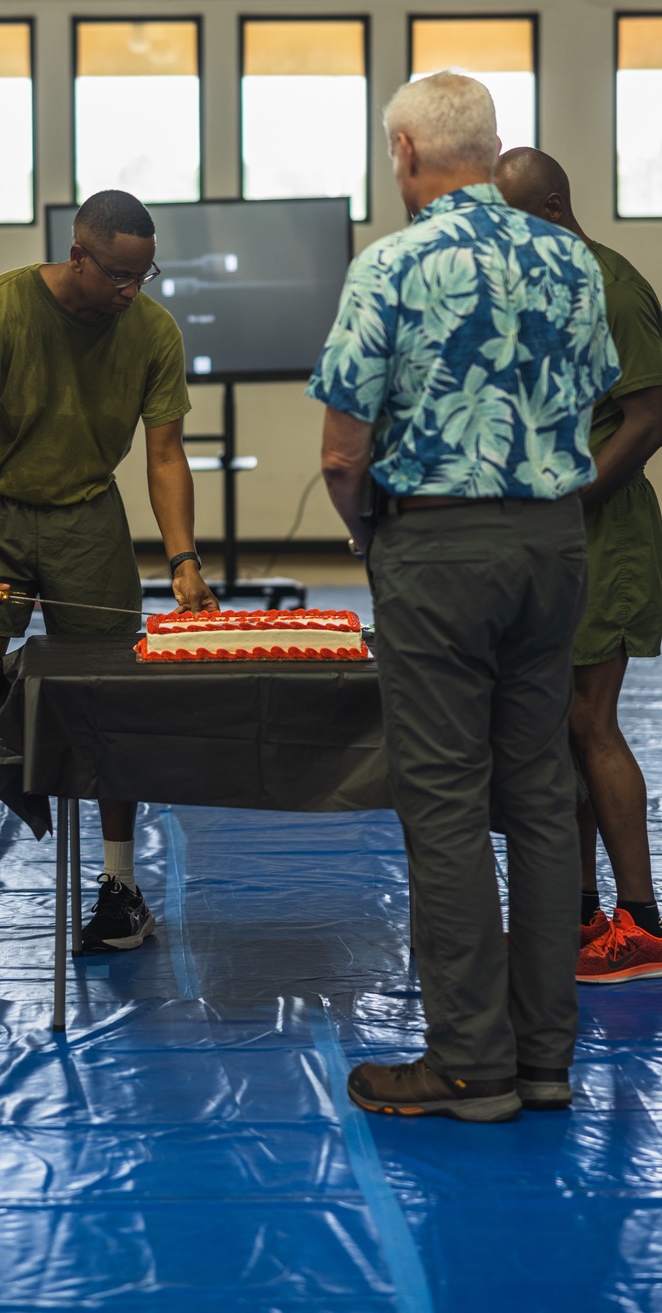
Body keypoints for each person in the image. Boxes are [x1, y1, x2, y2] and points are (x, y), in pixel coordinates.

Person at [308, 71, 619, 1121]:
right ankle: (544, 1060)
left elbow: (343, 451)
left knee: (442, 802)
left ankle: (466, 1063)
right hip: (553, 543)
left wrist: (368, 537)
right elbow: (592, 395)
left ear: (403, 153)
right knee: (537, 794)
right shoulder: (573, 259)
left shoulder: (391, 264)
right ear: (490, 151)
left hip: (437, 550)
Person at [0, 189, 218, 964]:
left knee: (113, 701)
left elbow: (166, 453)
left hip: (86, 517)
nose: (129, 292)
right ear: (78, 256)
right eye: (117, 276)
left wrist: (183, 558)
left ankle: (119, 889)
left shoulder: (151, 332)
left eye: (143, 277)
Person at [495, 146, 662, 983]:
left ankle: (640, 922)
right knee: (554, 728)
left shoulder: (614, 285)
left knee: (590, 723)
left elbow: (647, 417)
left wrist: (569, 501)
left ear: (555, 207)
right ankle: (577, 913)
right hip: (549, 533)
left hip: (602, 528)